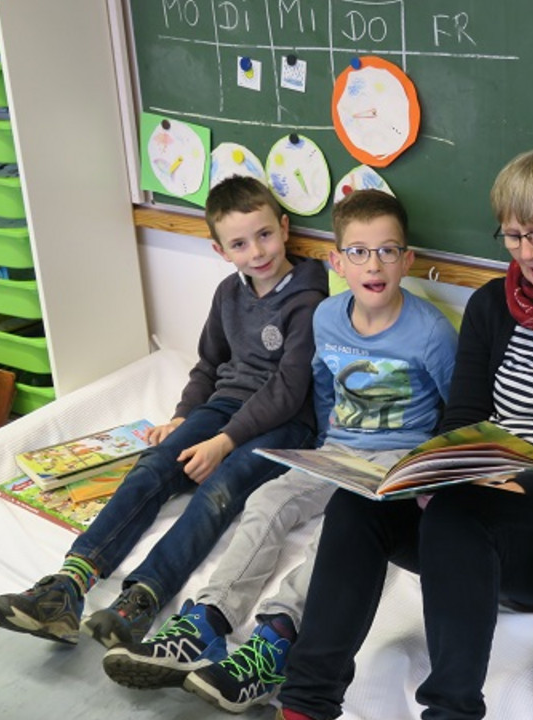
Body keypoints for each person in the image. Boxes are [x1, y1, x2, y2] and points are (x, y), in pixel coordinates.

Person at [275, 147, 533, 720]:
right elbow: (462, 420)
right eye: (512, 236)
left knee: (460, 515)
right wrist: (427, 475)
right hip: (481, 502)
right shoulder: (493, 305)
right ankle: (306, 704)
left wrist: (498, 488)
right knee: (356, 507)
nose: (526, 252)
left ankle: (452, 712)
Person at [99, 189, 458, 713]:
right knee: (266, 502)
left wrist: (425, 476)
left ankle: (273, 643)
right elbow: (323, 389)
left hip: (394, 461)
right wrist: (320, 446)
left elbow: (458, 408)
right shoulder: (328, 318)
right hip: (336, 449)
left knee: (338, 534)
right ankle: (206, 624)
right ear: (337, 261)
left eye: (387, 251)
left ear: (407, 260)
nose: (373, 264)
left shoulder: (430, 332)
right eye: (357, 251)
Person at [0, 175, 328, 650]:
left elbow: (289, 391)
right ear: (220, 250)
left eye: (265, 234)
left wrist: (223, 442)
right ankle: (67, 585)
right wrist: (186, 418)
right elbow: (209, 364)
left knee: (220, 488)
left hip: (287, 423)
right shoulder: (229, 294)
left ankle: (143, 600)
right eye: (240, 243)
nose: (257, 251)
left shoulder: (310, 300)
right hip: (225, 406)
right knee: (154, 467)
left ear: (285, 227)